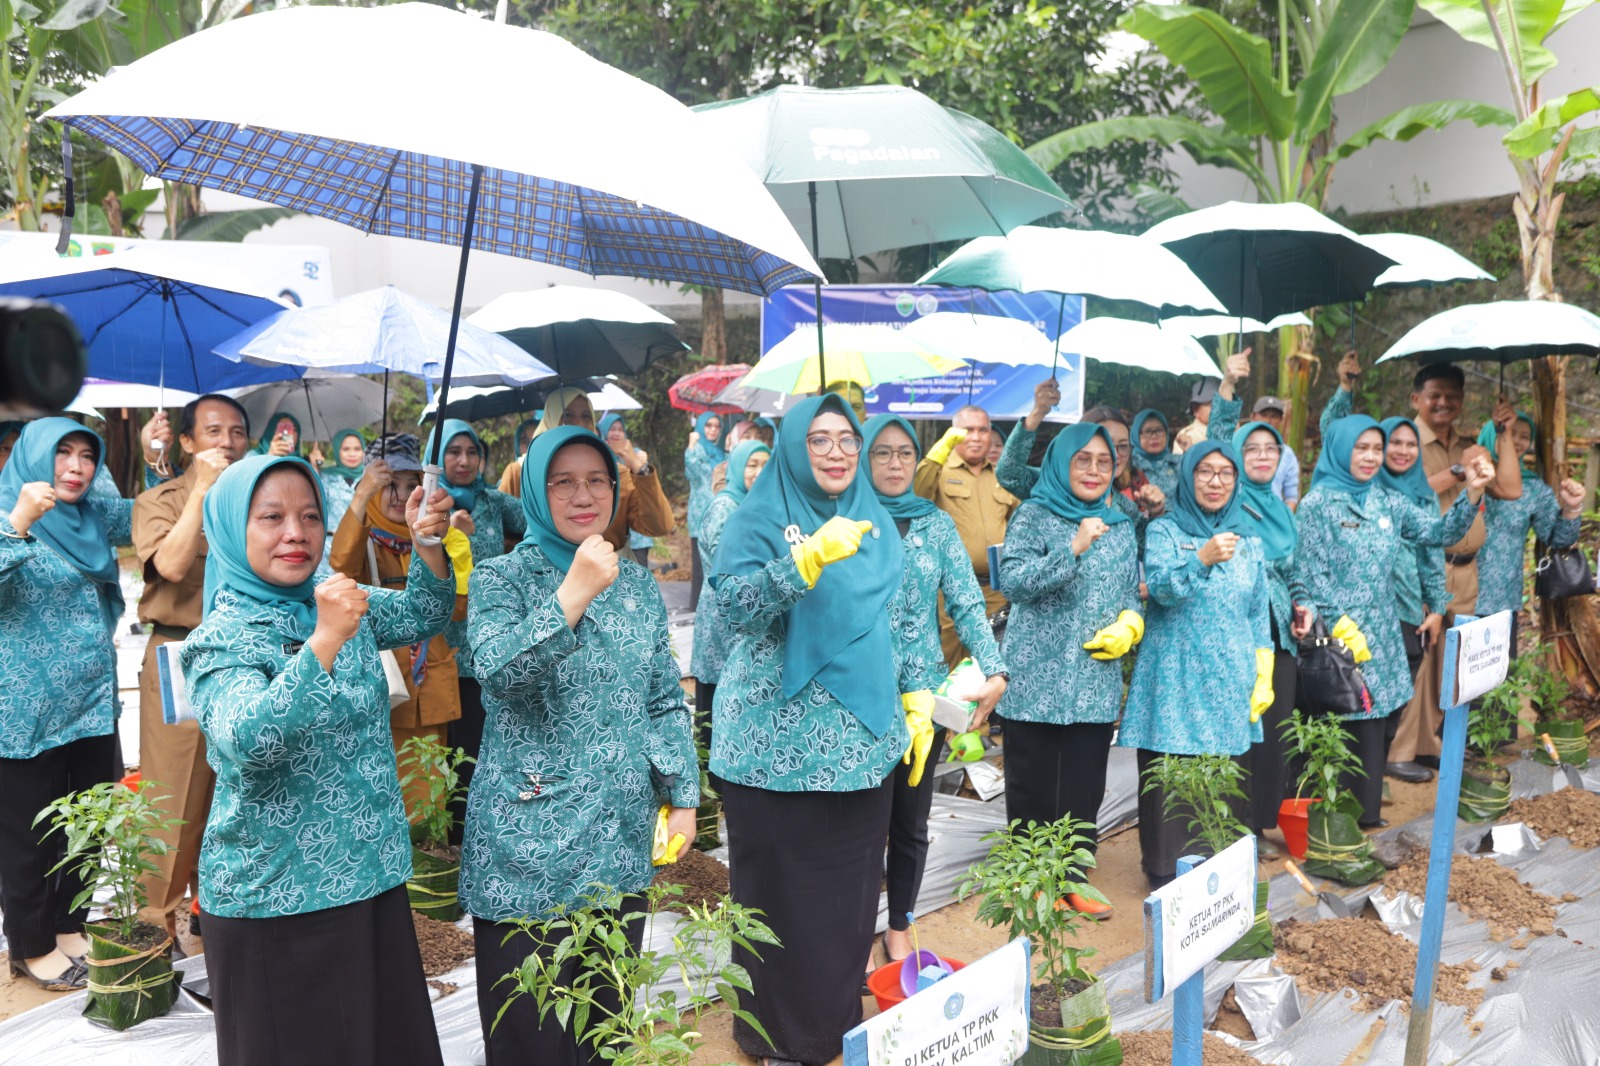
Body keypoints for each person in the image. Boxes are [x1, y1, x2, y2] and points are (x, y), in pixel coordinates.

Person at [183, 454, 454, 1066]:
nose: (296, 533)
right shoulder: (221, 638)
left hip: (368, 876)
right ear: (230, 527)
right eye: (271, 517)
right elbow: (249, 740)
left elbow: (424, 614)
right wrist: (325, 640)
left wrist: (427, 546)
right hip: (278, 900)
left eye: (309, 516)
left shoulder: (334, 597)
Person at [462, 427, 698, 1066]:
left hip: (618, 837)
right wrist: (574, 593)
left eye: (596, 480)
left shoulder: (637, 585)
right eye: (562, 482)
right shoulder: (502, 578)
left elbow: (662, 697)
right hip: (527, 849)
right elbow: (498, 672)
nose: (583, 495)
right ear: (535, 493)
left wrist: (682, 796)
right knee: (532, 1034)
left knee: (606, 1026)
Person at [712, 394, 922, 1066]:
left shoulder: (875, 519)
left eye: (847, 439)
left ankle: (832, 1023)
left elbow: (904, 616)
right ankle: (773, 1034)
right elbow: (734, 608)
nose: (837, 452)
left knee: (846, 895)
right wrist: (800, 565)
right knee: (777, 898)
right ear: (793, 447)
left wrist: (919, 691)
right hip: (773, 751)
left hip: (865, 747)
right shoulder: (756, 519)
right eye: (819, 439)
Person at [1296, 416, 1492, 826]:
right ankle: (1339, 824)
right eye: (1361, 448)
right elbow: (1310, 573)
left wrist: (1472, 491)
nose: (1370, 457)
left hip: (1384, 635)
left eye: (1375, 449)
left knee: (1381, 724)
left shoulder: (1387, 500)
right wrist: (1340, 625)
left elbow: (1439, 532)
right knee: (1347, 724)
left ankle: (1365, 817)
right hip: (1340, 638)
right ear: (1340, 449)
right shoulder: (1318, 504)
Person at [864, 414, 1007, 955]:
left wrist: (994, 668)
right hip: (856, 699)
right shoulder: (847, 522)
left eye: (905, 452)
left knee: (910, 818)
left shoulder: (936, 525)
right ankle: (854, 930)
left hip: (921, 701)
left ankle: (899, 926)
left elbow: (967, 603)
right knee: (860, 826)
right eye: (882, 452)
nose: (895, 463)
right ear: (863, 459)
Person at [0, 420, 127, 991]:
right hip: (26, 709)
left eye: (86, 456)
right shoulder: (8, 513)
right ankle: (31, 945)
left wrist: (178, 467)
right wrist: (18, 525)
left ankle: (69, 924)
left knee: (90, 821)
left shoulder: (90, 516)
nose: (76, 467)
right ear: (32, 458)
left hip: (92, 700)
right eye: (62, 454)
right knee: (30, 834)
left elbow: (148, 515)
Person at [1117, 443, 1271, 887]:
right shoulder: (1165, 531)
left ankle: (1223, 878)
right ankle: (1168, 874)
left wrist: (1263, 668)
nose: (1215, 482)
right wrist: (1201, 558)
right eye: (1205, 471)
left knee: (1226, 775)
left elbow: (1257, 611)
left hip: (1231, 673)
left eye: (1225, 473)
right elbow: (1161, 589)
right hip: (1176, 674)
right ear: (1187, 476)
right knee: (1173, 770)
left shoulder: (1249, 541)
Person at [996, 424, 1137, 906]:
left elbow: (1128, 594)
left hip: (1094, 679)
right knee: (1032, 784)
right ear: (1060, 462)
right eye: (1083, 459)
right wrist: (1072, 549)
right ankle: (1034, 881)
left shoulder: (1120, 525)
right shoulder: (1034, 514)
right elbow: (1013, 582)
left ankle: (1073, 878)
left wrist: (1131, 623)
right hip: (1036, 676)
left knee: (1084, 784)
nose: (1094, 470)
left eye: (1103, 461)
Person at [133, 393, 251, 943]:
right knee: (173, 795)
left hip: (243, 657)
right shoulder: (158, 500)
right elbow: (173, 566)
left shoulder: (255, 499)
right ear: (185, 441)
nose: (227, 442)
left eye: (237, 432)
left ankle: (218, 920)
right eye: (213, 431)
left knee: (239, 790)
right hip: (179, 653)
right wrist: (202, 490)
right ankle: (154, 931)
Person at [329, 435, 474, 812]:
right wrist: (362, 496)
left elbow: (458, 608)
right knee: (379, 800)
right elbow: (340, 568)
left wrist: (435, 546)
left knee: (430, 799)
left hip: (430, 683)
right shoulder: (362, 539)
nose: (401, 495)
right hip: (380, 684)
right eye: (389, 484)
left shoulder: (438, 538)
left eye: (412, 486)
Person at [423, 419, 526, 843]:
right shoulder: (429, 505)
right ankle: (456, 836)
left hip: (496, 641)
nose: (464, 460)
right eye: (453, 451)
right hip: (448, 647)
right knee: (456, 746)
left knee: (494, 740)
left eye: (472, 452)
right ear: (437, 457)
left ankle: (495, 829)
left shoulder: (493, 502)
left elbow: (540, 523)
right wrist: (450, 531)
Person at [1225, 417, 1316, 851]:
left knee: (1275, 730)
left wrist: (1304, 605)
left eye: (1271, 449)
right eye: (1252, 448)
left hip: (1280, 633)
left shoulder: (1280, 509)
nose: (1263, 456)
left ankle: (1260, 822)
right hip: (1239, 631)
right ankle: (1234, 825)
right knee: (1242, 727)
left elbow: (1296, 571)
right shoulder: (1229, 502)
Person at [499, 391, 673, 556]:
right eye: (567, 415)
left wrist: (639, 469)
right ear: (550, 419)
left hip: (610, 572)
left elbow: (658, 526)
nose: (579, 423)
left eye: (586, 416)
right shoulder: (522, 473)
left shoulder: (616, 473)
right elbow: (499, 527)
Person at [915, 404, 1018, 666]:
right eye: (967, 430)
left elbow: (1020, 522)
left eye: (982, 430)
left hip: (995, 589)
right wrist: (940, 450)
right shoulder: (939, 471)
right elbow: (916, 493)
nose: (975, 437)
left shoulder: (1001, 476)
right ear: (952, 433)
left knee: (993, 662)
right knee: (948, 661)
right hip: (950, 589)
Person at [1474, 413, 1584, 657]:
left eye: (1524, 436)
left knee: (1496, 677)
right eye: (1510, 433)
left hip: (1501, 600)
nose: (1516, 441)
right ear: (1493, 433)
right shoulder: (1464, 474)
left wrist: (1572, 507)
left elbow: (1558, 539)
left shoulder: (1533, 488)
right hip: (1453, 597)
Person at [688, 438, 772, 759]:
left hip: (742, 624)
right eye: (752, 464)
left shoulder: (754, 505)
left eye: (765, 464)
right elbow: (725, 567)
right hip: (721, 625)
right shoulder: (726, 507)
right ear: (736, 467)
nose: (759, 472)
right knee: (715, 711)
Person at [996, 384, 1167, 527]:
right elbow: (1009, 474)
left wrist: (1157, 512)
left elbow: (1146, 548)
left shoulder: (1125, 506)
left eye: (1122, 446)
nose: (1114, 455)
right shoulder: (1052, 485)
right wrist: (1037, 413)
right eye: (1106, 444)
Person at [600, 413, 658, 566]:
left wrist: (640, 464)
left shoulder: (635, 453)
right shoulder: (599, 455)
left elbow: (646, 486)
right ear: (604, 431)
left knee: (639, 573)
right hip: (613, 532)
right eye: (612, 429)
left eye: (621, 429)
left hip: (637, 534)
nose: (617, 433)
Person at [683, 412, 725, 608]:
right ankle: (697, 607)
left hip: (720, 514)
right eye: (708, 425)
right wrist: (691, 445)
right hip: (700, 515)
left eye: (717, 426)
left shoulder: (721, 452)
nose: (713, 430)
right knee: (700, 566)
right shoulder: (697, 450)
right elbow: (691, 473)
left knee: (717, 562)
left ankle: (715, 605)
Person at [317, 429, 367, 540]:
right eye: (346, 449)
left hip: (362, 543)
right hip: (330, 543)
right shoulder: (324, 477)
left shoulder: (370, 478)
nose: (352, 454)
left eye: (357, 449)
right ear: (337, 451)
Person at [1130, 408, 1180, 497]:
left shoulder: (1179, 462)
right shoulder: (1129, 466)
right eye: (1147, 432)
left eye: (1159, 430)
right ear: (1136, 435)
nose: (1154, 437)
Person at [1173, 377, 1218, 453]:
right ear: (1196, 409)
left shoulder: (1231, 432)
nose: (1216, 409)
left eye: (1219, 404)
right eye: (1210, 404)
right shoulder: (1186, 436)